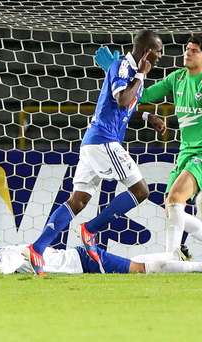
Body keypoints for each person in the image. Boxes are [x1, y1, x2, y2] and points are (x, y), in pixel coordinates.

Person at [25, 29, 165, 275]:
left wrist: (146, 115)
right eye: (159, 52)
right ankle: (90, 229)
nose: (161, 57)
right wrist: (141, 75)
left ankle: (37, 247)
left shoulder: (129, 71)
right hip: (104, 141)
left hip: (94, 142)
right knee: (141, 191)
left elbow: (124, 108)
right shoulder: (125, 69)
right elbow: (122, 99)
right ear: (147, 52)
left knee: (77, 200)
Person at [96, 34, 202, 263]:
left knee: (176, 199)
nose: (187, 53)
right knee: (171, 207)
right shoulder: (176, 78)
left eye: (194, 51)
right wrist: (114, 73)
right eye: (187, 49)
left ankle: (172, 256)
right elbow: (140, 96)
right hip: (186, 151)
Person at [0, 244, 202, 275]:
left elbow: (5, 270)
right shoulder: (5, 249)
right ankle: (173, 255)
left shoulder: (7, 256)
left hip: (84, 261)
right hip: (81, 258)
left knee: (139, 270)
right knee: (133, 262)